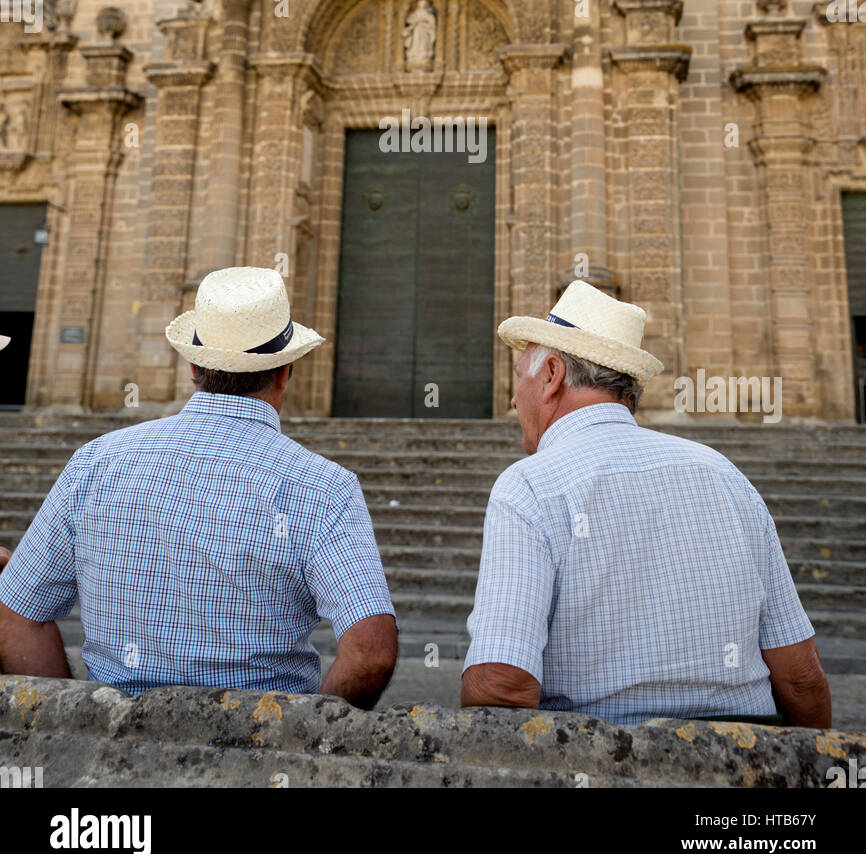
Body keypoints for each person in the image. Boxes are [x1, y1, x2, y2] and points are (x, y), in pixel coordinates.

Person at [0, 268, 397, 708]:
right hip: (258, 759)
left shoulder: (97, 461)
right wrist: (300, 735)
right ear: (286, 370)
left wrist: (76, 720)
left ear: (193, 365)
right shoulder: (323, 487)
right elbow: (372, 652)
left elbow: (18, 614)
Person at [461, 280, 831, 728]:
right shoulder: (724, 474)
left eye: (521, 378)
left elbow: (499, 683)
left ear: (553, 375)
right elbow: (802, 678)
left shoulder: (530, 487)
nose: (515, 398)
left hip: (601, 763)